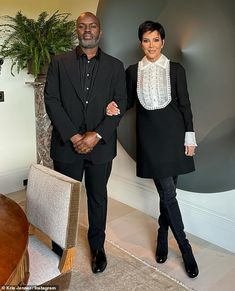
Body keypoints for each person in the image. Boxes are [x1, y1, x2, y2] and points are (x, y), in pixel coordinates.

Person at [106, 20, 199, 278]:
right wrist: (114, 107)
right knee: (169, 194)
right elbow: (127, 102)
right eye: (146, 40)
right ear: (141, 43)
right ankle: (185, 248)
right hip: (150, 141)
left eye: (155, 40)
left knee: (168, 194)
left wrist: (189, 138)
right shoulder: (133, 71)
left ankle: (161, 232)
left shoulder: (176, 69)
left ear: (163, 42)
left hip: (175, 138)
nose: (151, 45)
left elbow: (185, 106)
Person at [44, 12, 127, 274]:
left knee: (97, 197)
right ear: (77, 32)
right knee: (64, 199)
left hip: (100, 147)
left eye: (92, 26)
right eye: (82, 26)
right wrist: (75, 136)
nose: (87, 30)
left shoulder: (115, 66)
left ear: (99, 32)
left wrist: (96, 134)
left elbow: (121, 103)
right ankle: (59, 248)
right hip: (66, 146)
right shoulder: (59, 62)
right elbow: (52, 100)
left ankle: (98, 248)